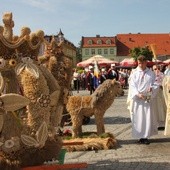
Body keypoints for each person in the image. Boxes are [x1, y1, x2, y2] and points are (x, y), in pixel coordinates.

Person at [128, 55, 158, 145]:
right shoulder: (134, 73)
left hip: (147, 98)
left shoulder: (151, 73)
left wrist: (152, 88)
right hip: (138, 98)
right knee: (138, 117)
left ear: (146, 62)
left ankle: (145, 136)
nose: (140, 65)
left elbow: (155, 83)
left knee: (147, 117)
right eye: (139, 63)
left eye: (142, 63)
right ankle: (139, 136)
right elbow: (132, 85)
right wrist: (137, 93)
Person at [152, 64, 166, 129]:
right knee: (155, 109)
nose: (156, 70)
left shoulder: (162, 75)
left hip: (161, 94)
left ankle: (162, 124)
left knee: (161, 108)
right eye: (155, 69)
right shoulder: (151, 76)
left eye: (158, 68)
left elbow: (165, 83)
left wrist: (161, 85)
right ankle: (156, 124)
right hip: (154, 95)